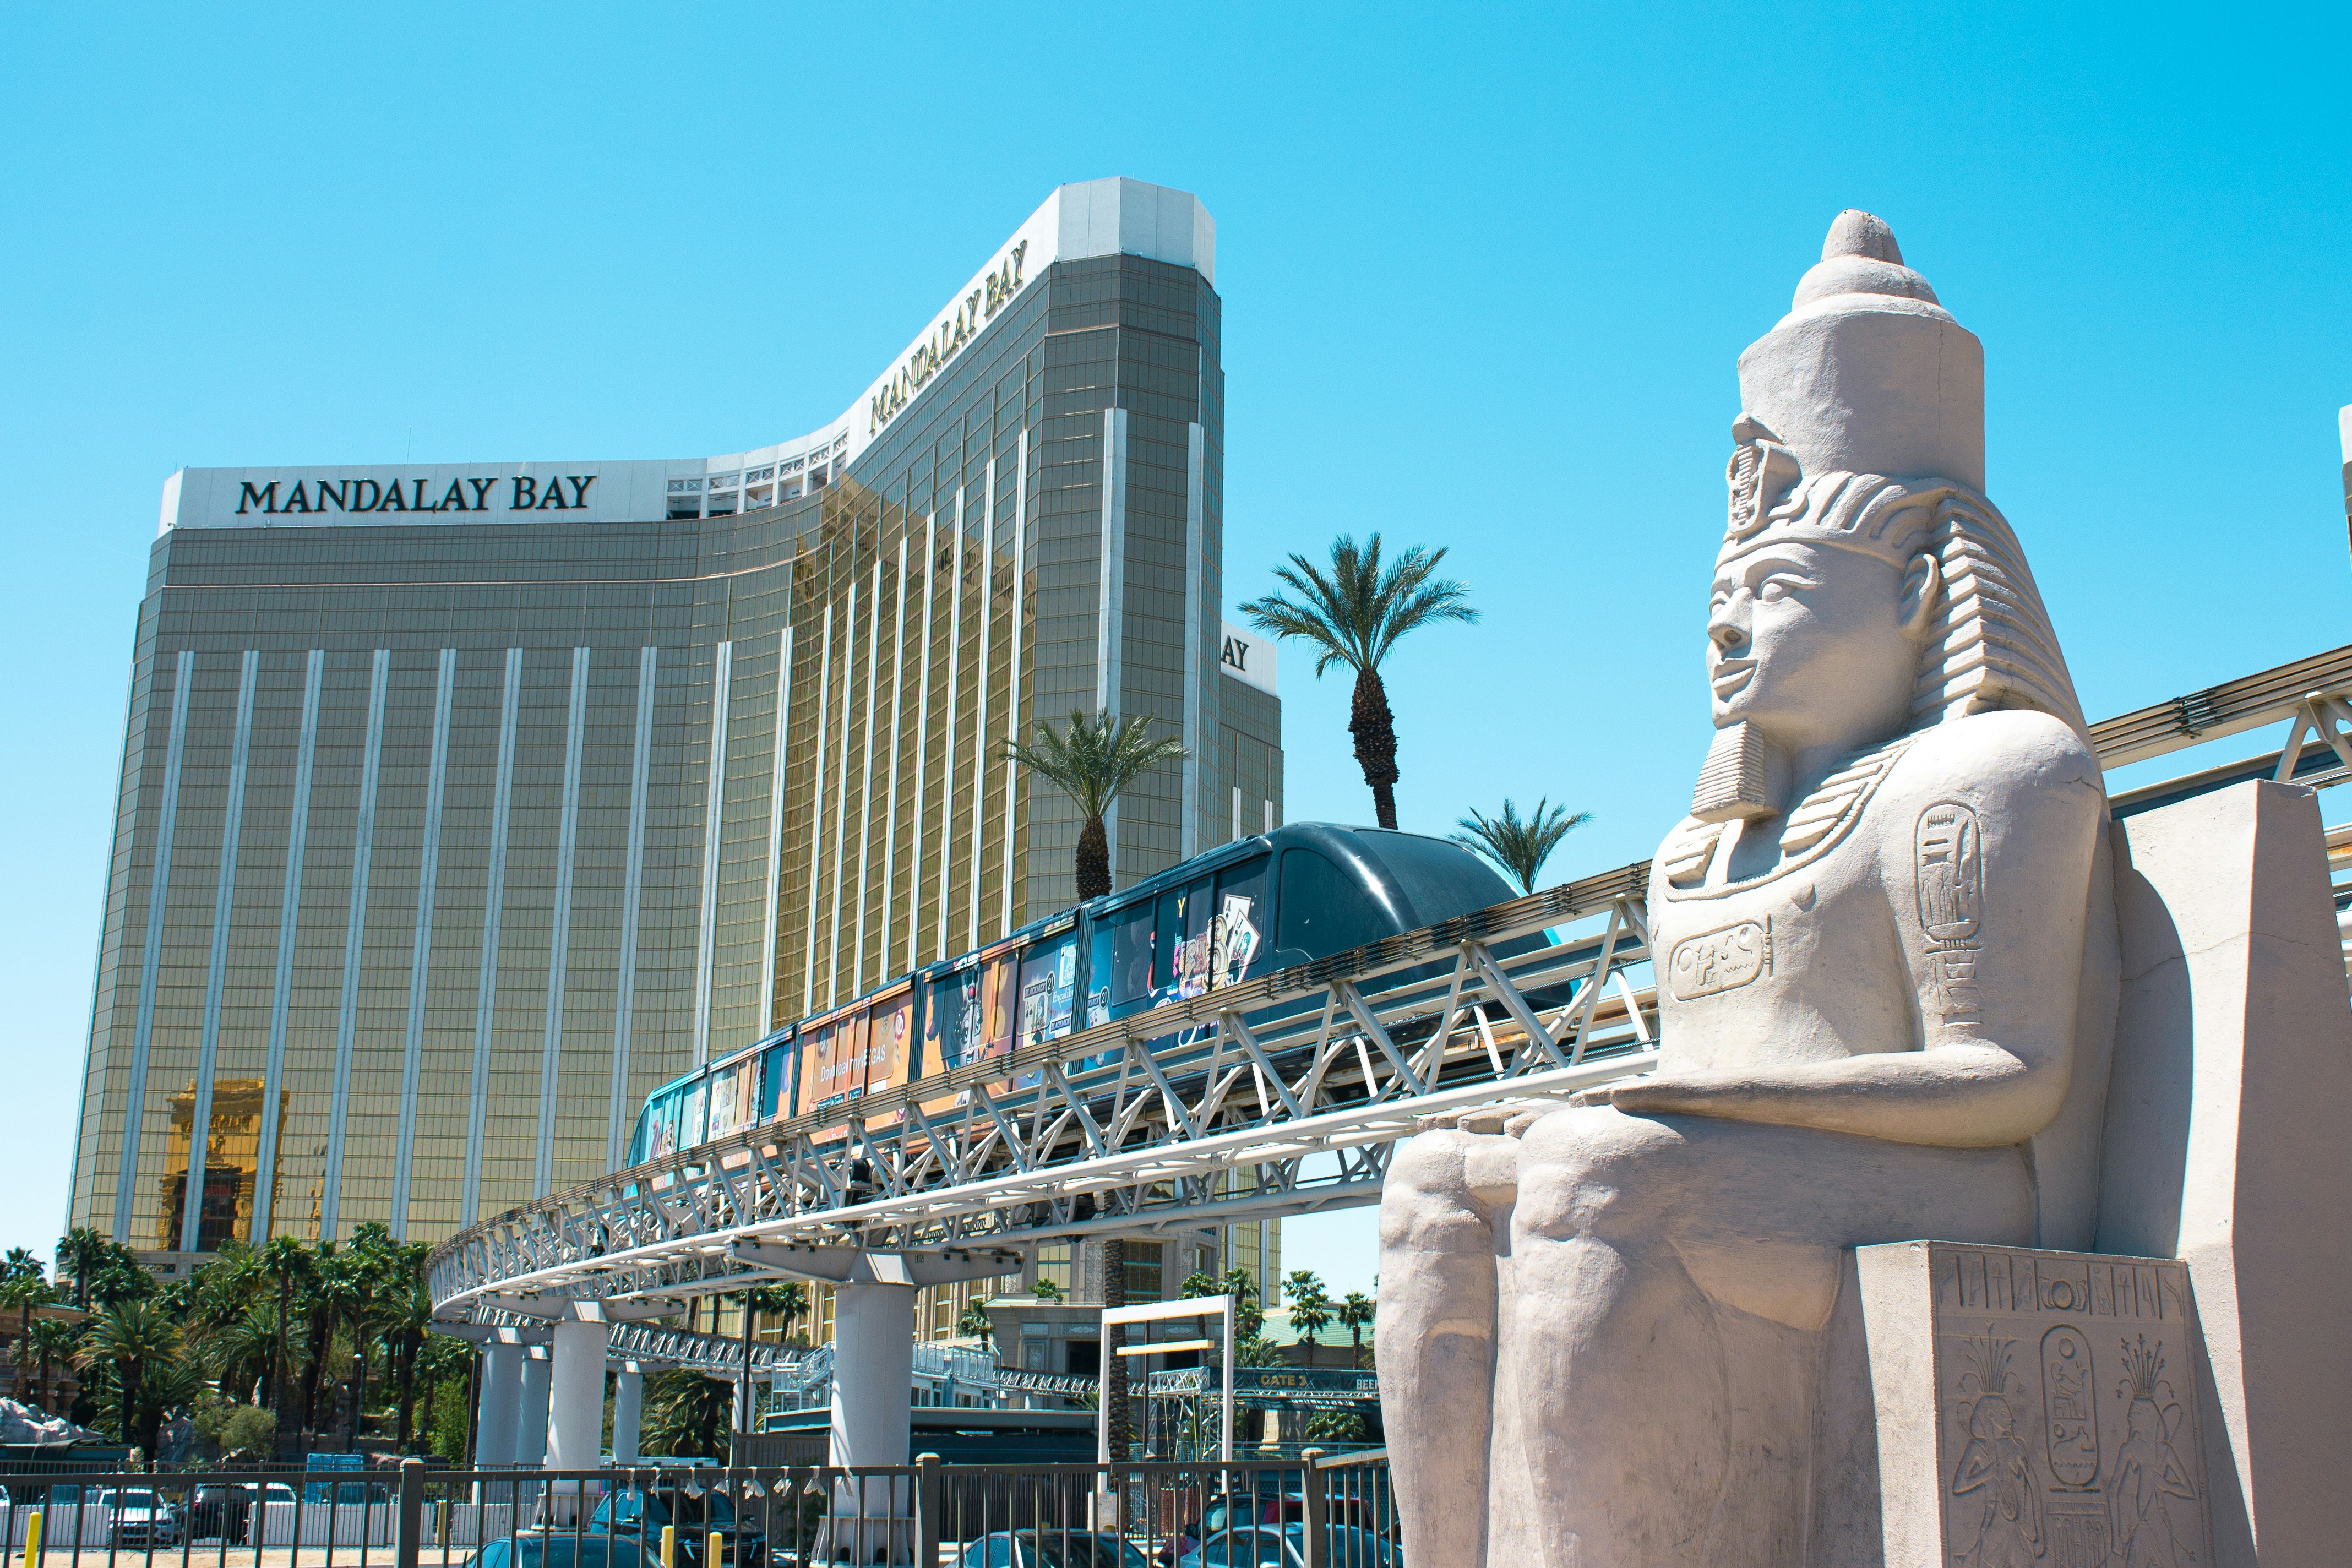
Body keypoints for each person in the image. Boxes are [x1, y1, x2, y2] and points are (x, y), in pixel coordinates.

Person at [1377, 212, 2112, 1567]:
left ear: (1914, 595)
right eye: (1718, 594)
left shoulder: (1997, 771)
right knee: (1430, 1177)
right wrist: (1647, 1096)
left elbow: (2012, 1074)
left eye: (1771, 589)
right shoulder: (1693, 851)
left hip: (1957, 1180)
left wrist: (1684, 1098)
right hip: (1740, 1160)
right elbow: (1689, 1079)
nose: (1723, 627)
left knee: (1600, 1167)